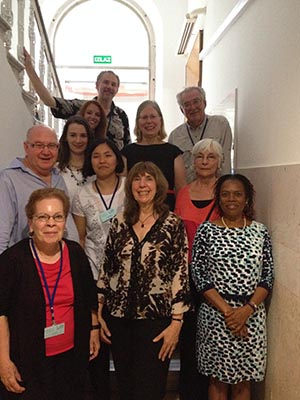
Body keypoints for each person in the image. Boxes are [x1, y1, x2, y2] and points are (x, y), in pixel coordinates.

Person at [97, 161, 190, 400]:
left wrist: (177, 323)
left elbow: (180, 272)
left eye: (148, 178)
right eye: (137, 179)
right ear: (130, 187)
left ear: (158, 185)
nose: (142, 184)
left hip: (156, 322)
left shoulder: (172, 223)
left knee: (150, 387)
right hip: (118, 318)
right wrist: (99, 312)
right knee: (125, 386)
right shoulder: (119, 221)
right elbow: (107, 268)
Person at [0, 188, 100, 400]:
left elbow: (88, 296)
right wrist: (3, 361)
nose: (51, 223)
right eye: (43, 217)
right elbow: (1, 314)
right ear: (31, 222)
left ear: (65, 221)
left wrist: (93, 329)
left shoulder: (75, 253)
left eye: (57, 217)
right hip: (29, 362)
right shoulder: (13, 260)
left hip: (72, 358)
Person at [191, 174, 274, 400]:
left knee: (242, 380)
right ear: (218, 198)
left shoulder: (260, 232)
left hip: (251, 316)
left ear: (247, 199)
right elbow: (198, 275)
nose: (231, 199)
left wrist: (246, 311)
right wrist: (230, 314)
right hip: (216, 316)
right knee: (217, 380)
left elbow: (267, 276)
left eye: (237, 194)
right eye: (225, 194)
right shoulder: (206, 231)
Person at [72, 138, 126, 400]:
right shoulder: (83, 193)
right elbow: (81, 238)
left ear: (117, 159)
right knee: (96, 342)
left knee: (124, 341)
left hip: (128, 276)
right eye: (96, 156)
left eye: (107, 155)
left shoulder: (131, 186)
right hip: (94, 272)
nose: (102, 160)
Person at [174, 138, 223, 400]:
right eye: (200, 156)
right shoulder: (183, 193)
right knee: (188, 337)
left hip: (217, 278)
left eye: (211, 157)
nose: (205, 161)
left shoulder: (226, 192)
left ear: (219, 162)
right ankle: (188, 392)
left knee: (212, 336)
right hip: (185, 275)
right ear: (193, 161)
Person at [23, 47, 131, 150]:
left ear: (117, 89)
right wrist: (29, 68)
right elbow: (50, 101)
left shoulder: (121, 115)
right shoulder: (80, 107)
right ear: (97, 85)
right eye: (106, 82)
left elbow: (127, 146)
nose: (109, 87)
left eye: (113, 84)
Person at [0, 124, 79, 254]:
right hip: (26, 267)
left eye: (51, 146)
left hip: (62, 263)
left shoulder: (58, 177)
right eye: (39, 145)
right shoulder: (8, 180)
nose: (46, 151)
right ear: (26, 147)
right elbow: (2, 232)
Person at [122, 100, 186, 210]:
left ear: (160, 120)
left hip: (166, 211)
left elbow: (181, 191)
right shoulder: (126, 153)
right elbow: (123, 190)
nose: (149, 121)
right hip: (136, 211)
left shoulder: (174, 152)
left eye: (153, 117)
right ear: (138, 122)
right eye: (144, 117)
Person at [169, 86, 232, 182]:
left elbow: (226, 163)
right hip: (188, 191)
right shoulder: (175, 136)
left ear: (204, 103)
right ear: (182, 110)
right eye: (187, 104)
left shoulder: (221, 125)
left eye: (196, 101)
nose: (193, 107)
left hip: (216, 189)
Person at [57, 115, 95, 200]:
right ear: (66, 137)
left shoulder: (97, 168)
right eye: (73, 135)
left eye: (83, 136)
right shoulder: (56, 170)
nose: (78, 140)